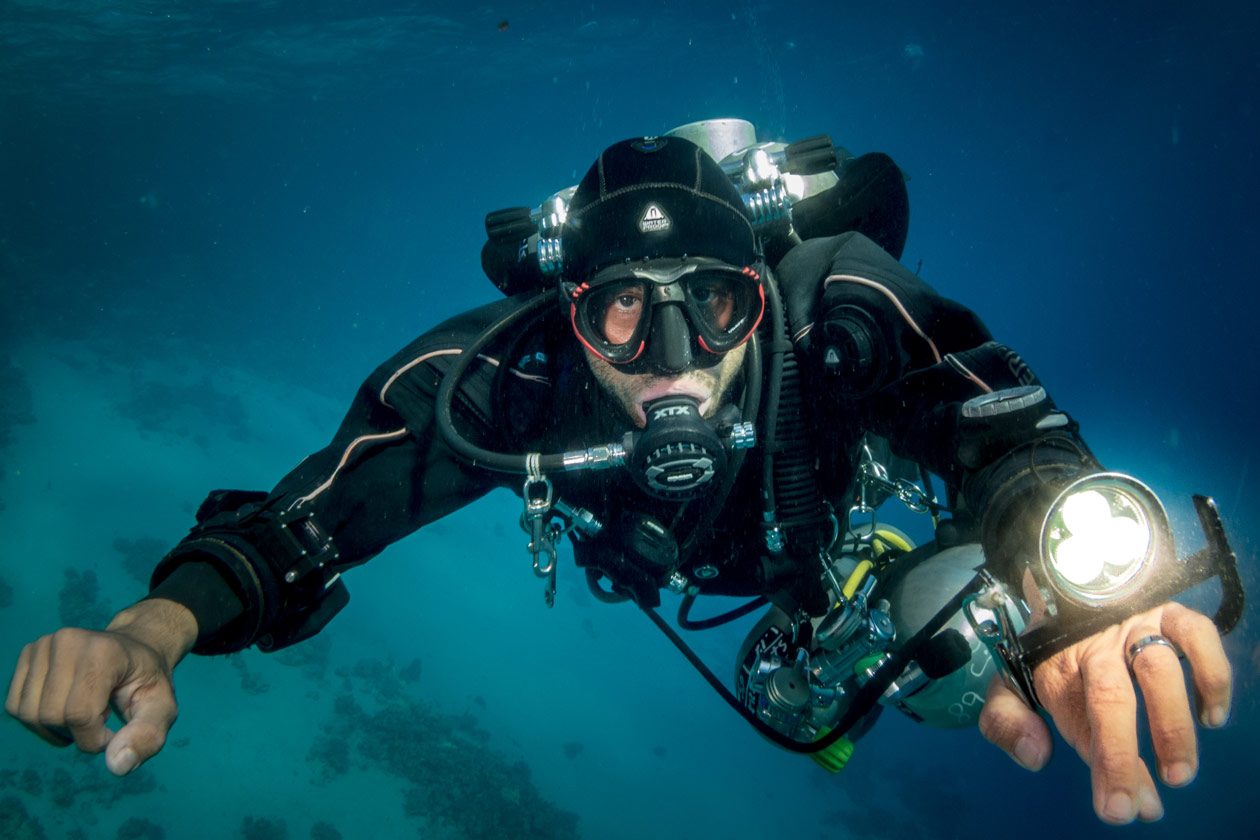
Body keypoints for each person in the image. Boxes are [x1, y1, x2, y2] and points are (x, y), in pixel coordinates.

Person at [6, 122, 1238, 827]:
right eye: (619, 322)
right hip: (683, 556)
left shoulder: (838, 300)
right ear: (566, 316)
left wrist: (1073, 583)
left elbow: (1000, 435)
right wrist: (158, 622)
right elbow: (321, 512)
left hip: (822, 520)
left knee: (933, 620)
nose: (670, 364)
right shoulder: (505, 375)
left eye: (712, 308)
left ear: (761, 296)